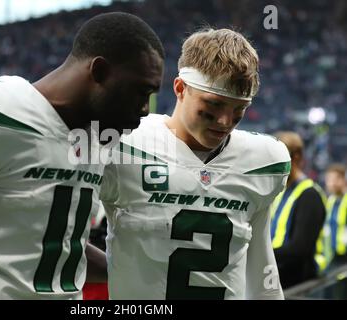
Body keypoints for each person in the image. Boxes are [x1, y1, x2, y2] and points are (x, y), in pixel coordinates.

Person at [0, 12, 164, 299]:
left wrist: (139, 270)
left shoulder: (101, 138)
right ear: (98, 72)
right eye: (140, 91)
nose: (145, 108)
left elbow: (54, 241)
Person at [100, 28, 290, 299]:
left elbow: (260, 262)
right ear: (180, 88)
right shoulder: (123, 143)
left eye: (239, 109)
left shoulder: (264, 161)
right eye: (213, 105)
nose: (225, 121)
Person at [270, 132, 326, 289]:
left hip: (298, 283)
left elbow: (300, 248)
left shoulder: (309, 195)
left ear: (296, 158)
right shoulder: (280, 192)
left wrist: (260, 256)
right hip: (277, 276)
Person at [315, 163, 347, 272]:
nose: (329, 183)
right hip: (333, 256)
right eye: (328, 179)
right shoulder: (331, 201)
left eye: (333, 179)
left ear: (342, 180)